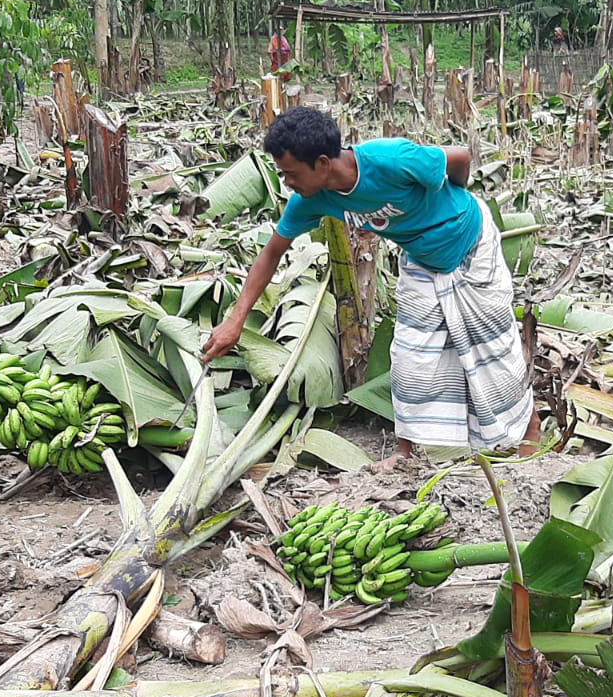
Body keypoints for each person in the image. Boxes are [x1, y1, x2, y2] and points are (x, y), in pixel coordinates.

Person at [201, 108, 542, 471]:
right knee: (410, 355)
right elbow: (271, 253)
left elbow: (460, 158)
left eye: (291, 173)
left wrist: (452, 200)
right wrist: (235, 321)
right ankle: (404, 453)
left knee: (491, 347)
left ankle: (528, 428)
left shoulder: (392, 160)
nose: (286, 183)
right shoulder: (311, 199)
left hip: (472, 242)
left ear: (321, 163)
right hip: (422, 259)